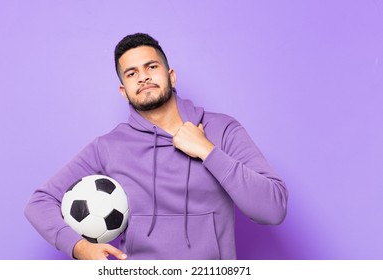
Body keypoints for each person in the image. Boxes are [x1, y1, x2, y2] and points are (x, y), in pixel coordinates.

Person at [24, 33, 288, 260]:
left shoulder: (223, 130)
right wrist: (78, 247)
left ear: (171, 76)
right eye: (132, 73)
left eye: (151, 67)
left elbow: (272, 209)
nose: (143, 77)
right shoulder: (108, 146)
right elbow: (39, 203)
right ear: (123, 90)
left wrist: (207, 151)